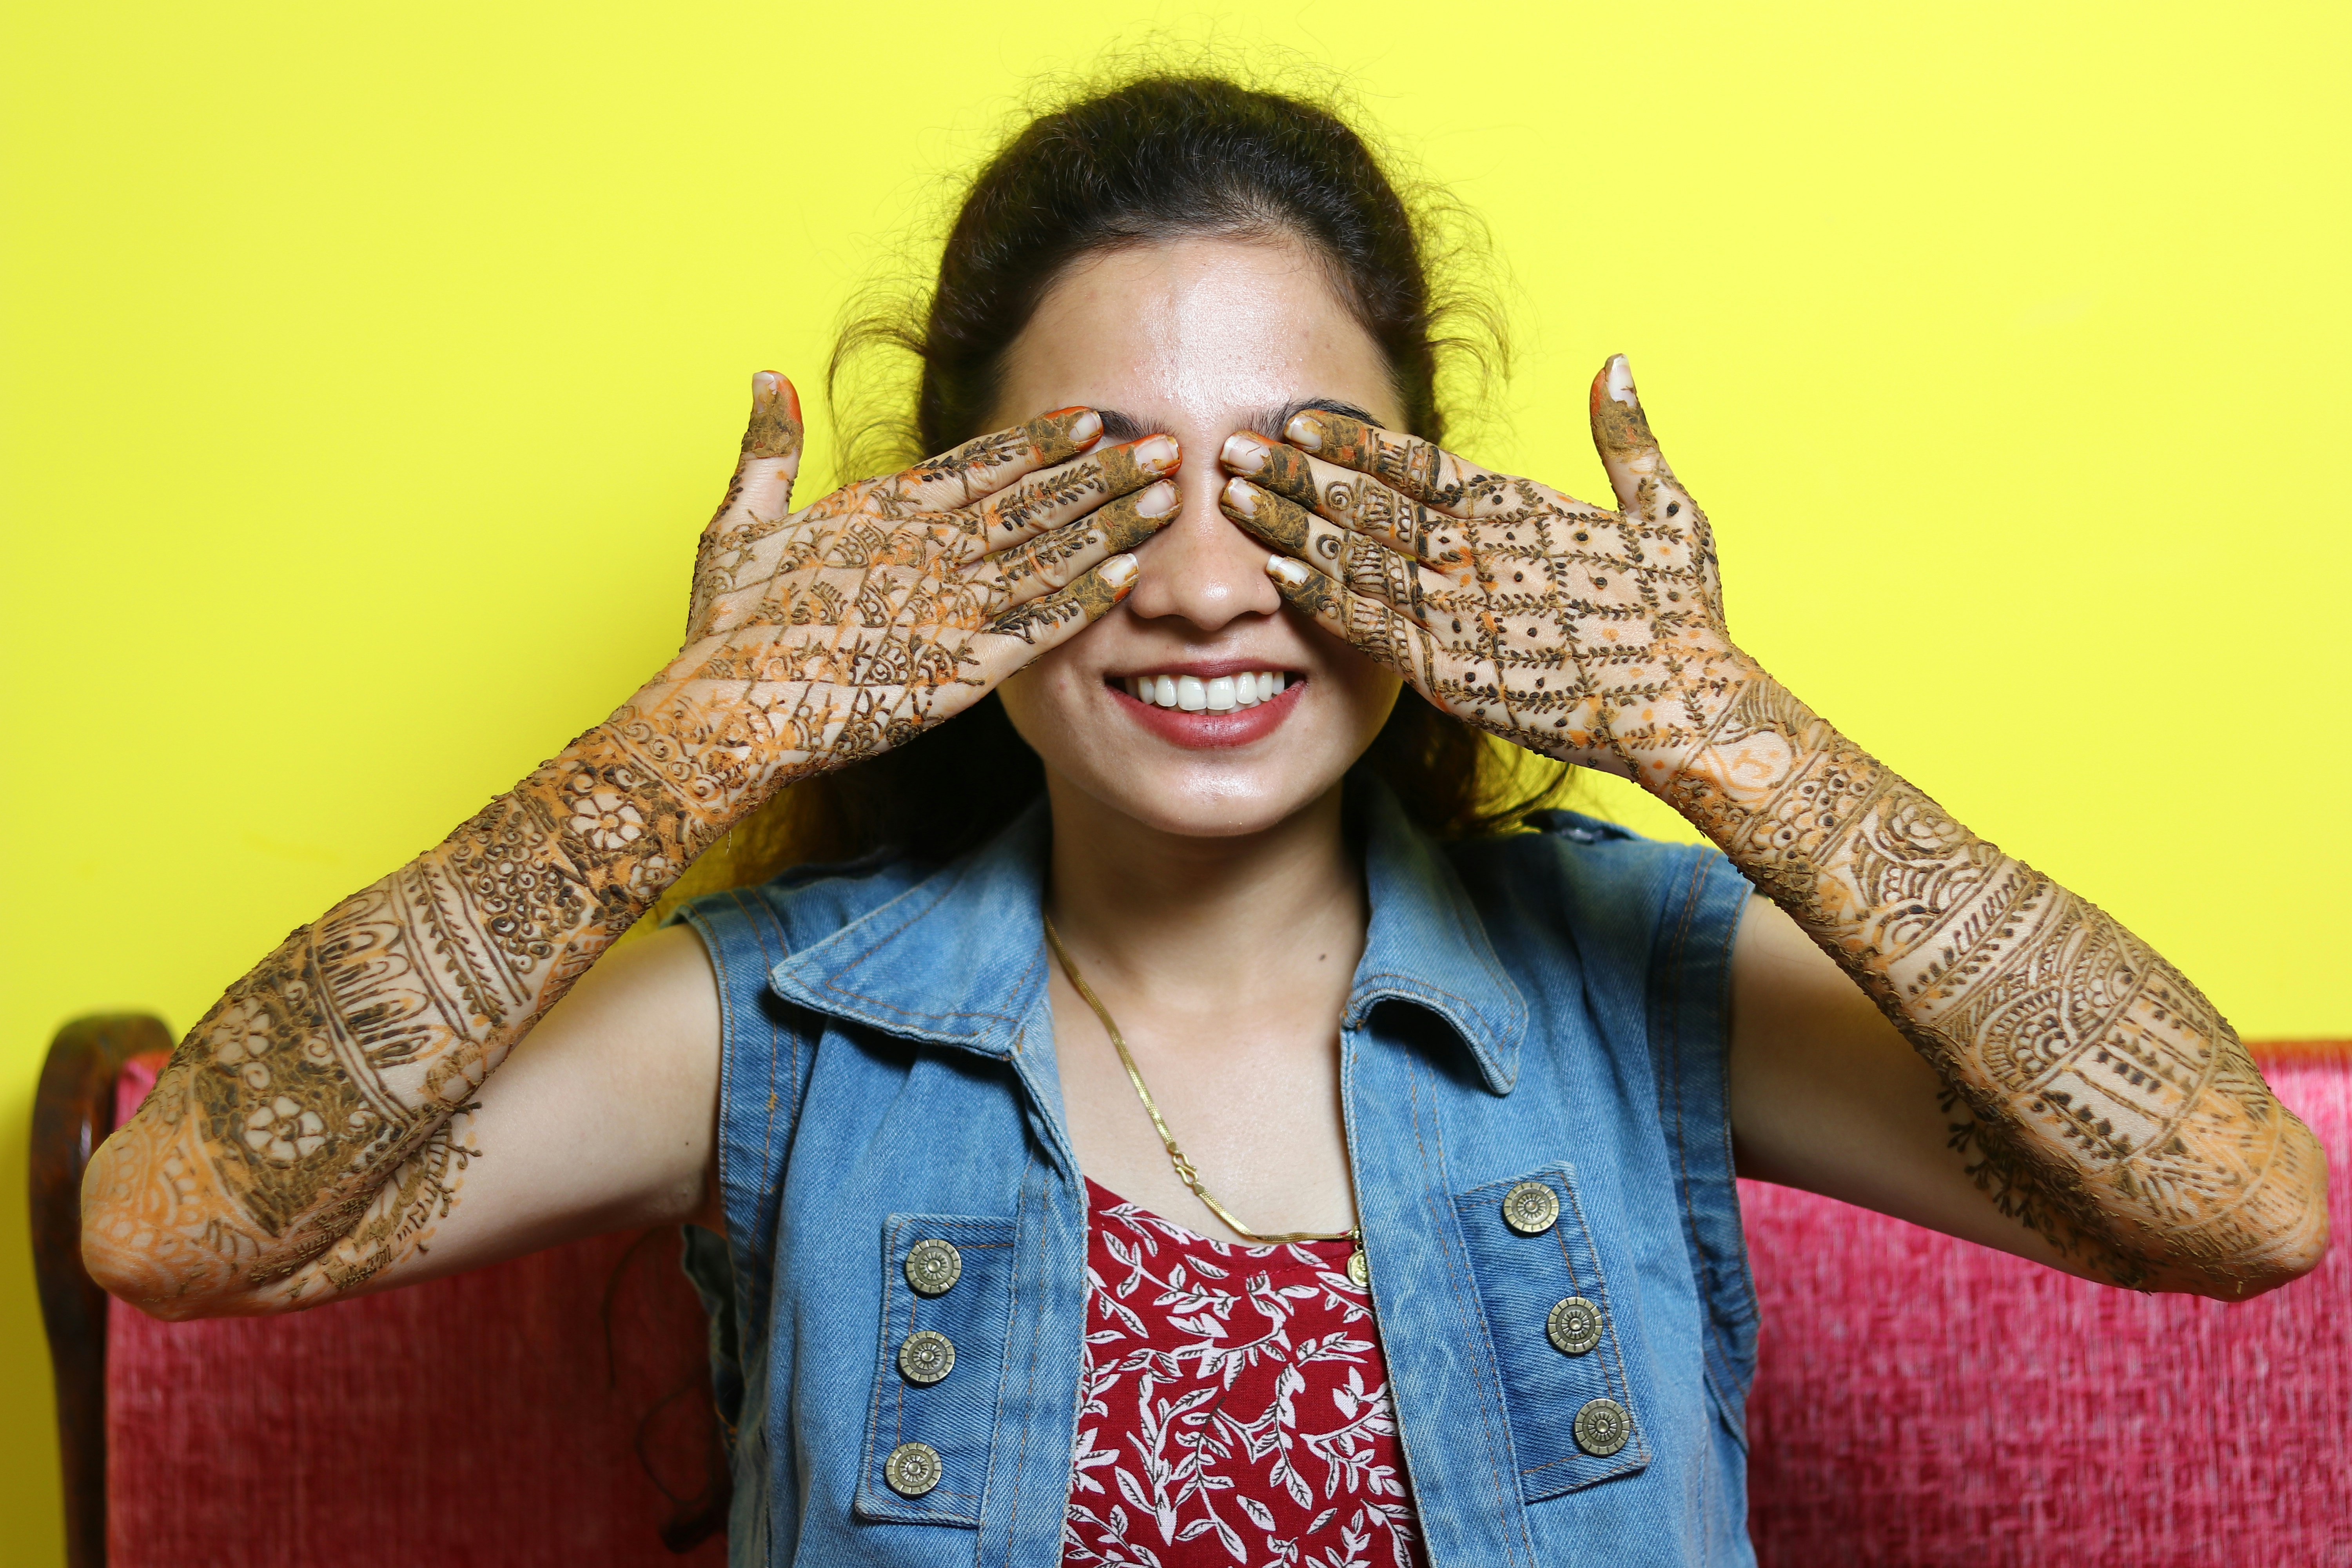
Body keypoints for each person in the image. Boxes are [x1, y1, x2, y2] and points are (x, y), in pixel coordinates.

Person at [81, 71, 2327, 1568]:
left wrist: (1714, 728)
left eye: (1292, 482)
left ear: (1440, 519)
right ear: (940, 547)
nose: (1199, 583)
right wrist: (689, 744)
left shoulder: (1632, 987)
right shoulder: (784, 1033)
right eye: (1095, 490)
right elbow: (165, 1227)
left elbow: (2240, 1204)